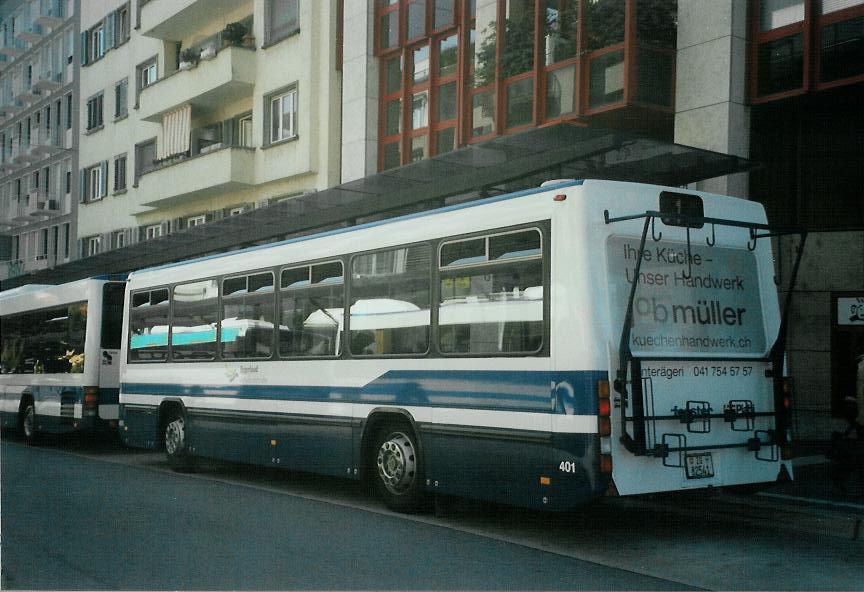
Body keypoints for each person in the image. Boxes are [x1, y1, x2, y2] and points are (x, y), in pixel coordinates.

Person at [829, 395, 864, 494]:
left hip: (848, 448)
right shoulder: (851, 422)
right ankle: (841, 486)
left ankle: (840, 486)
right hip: (849, 448)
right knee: (848, 467)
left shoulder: (847, 422)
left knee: (845, 467)